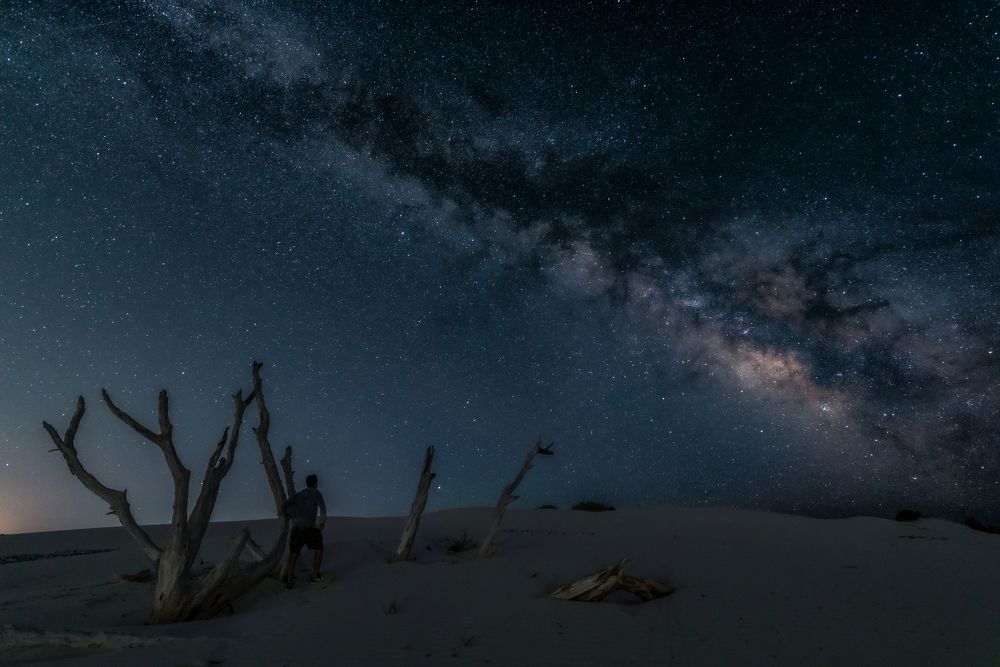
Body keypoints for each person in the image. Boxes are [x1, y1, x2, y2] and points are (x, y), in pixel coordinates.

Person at [282, 473, 327, 588]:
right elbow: (323, 511)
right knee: (319, 549)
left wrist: (289, 514)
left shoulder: (299, 494)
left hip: (296, 528)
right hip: (309, 528)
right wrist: (321, 525)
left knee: (293, 554)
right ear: (315, 483)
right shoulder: (316, 493)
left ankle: (289, 580)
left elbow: (284, 506)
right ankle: (315, 575)